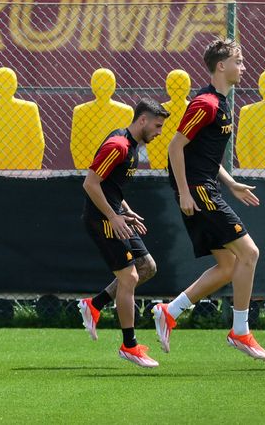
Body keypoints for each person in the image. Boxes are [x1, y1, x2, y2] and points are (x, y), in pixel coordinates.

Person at [152, 39, 265, 361]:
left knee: (228, 264)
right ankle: (241, 332)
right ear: (222, 66)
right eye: (239, 61)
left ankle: (169, 310)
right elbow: (175, 147)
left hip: (209, 187)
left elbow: (202, 152)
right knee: (249, 253)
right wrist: (184, 193)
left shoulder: (220, 103)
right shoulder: (205, 103)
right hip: (199, 190)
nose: (244, 67)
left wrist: (232, 183)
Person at [77, 99, 170, 368]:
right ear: (142, 120)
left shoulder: (131, 145)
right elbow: (90, 183)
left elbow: (111, 187)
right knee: (129, 277)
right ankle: (129, 346)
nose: (159, 131)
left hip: (115, 216)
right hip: (102, 220)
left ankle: (94, 305)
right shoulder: (117, 146)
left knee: (146, 266)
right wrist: (113, 216)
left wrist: (124, 210)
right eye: (157, 125)